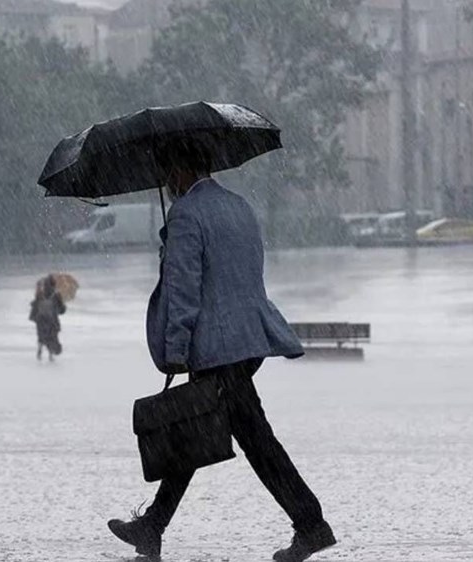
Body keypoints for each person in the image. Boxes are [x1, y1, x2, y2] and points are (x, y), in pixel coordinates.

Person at [107, 140, 334, 562]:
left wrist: (176, 349)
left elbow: (184, 290)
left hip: (216, 349)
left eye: (167, 173)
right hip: (246, 341)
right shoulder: (239, 206)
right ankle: (152, 526)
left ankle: (311, 524)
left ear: (180, 169)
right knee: (195, 429)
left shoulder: (186, 214)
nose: (166, 182)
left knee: (252, 440)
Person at [29, 274, 66, 361]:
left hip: (41, 320)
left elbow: (34, 305)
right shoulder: (56, 295)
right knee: (52, 336)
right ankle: (51, 354)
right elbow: (61, 309)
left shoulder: (40, 294)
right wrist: (62, 307)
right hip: (52, 320)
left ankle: (40, 348)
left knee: (41, 335)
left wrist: (34, 317)